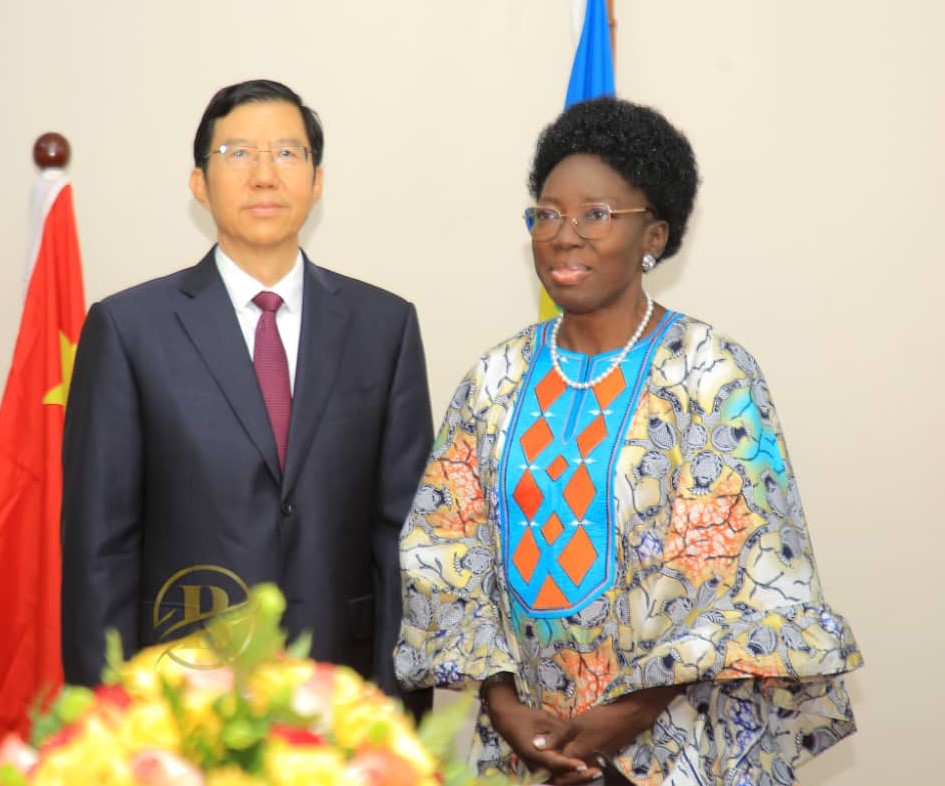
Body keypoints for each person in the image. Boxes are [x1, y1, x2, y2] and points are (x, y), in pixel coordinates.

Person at [395, 96, 862, 784]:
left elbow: (745, 574)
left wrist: (632, 709)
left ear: (653, 236)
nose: (564, 234)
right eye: (546, 213)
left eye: (596, 215)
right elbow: (444, 549)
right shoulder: (494, 379)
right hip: (529, 745)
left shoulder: (709, 374)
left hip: (676, 739)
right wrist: (501, 703)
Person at [61, 79, 433, 720]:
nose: (265, 175)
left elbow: (403, 534)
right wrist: (112, 718)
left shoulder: (384, 326)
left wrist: (398, 709)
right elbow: (101, 547)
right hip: (180, 695)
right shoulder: (128, 330)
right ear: (199, 183)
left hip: (343, 695)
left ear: (317, 181)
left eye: (288, 153)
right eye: (237, 153)